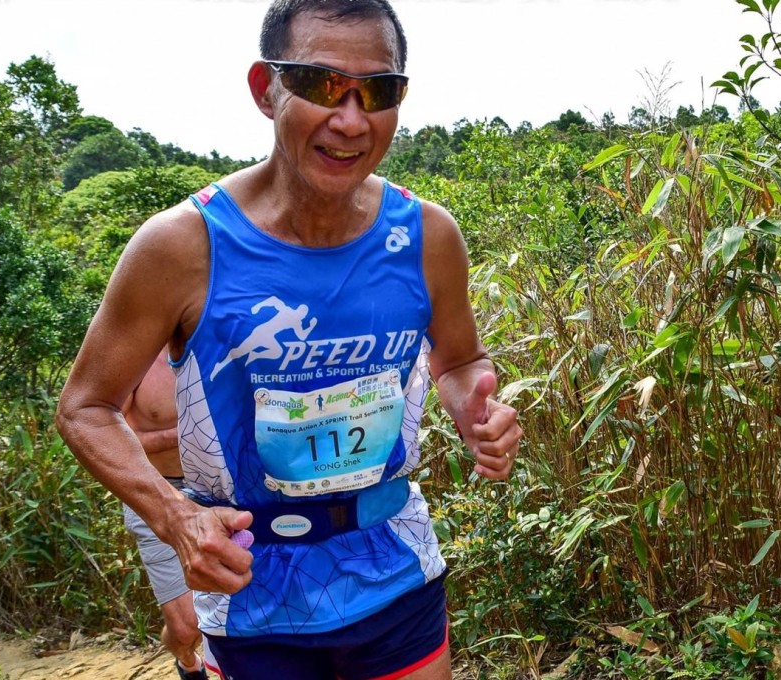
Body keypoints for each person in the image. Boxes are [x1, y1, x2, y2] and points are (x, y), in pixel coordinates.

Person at [55, 0, 524, 678]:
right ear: (264, 88)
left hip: (393, 565)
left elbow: (459, 358)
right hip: (250, 593)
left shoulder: (427, 236)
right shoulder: (182, 247)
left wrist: (474, 411)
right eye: (320, 83)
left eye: (380, 91)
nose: (352, 119)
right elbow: (85, 407)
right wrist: (177, 517)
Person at [120, 350, 222, 680]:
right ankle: (186, 660)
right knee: (186, 627)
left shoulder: (214, 342)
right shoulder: (132, 354)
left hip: (219, 489)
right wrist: (183, 433)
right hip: (156, 491)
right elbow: (110, 434)